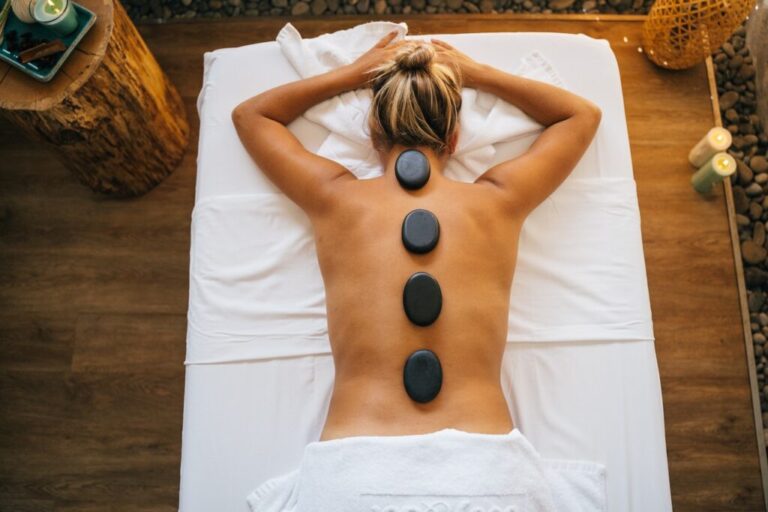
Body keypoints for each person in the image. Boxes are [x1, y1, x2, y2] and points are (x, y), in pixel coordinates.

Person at [232, 33, 601, 443]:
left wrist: (352, 74)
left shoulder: (335, 199)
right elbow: (580, 116)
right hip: (484, 453)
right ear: (454, 140)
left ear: (373, 135)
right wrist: (479, 74)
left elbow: (251, 116)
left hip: (356, 450)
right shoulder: (498, 202)